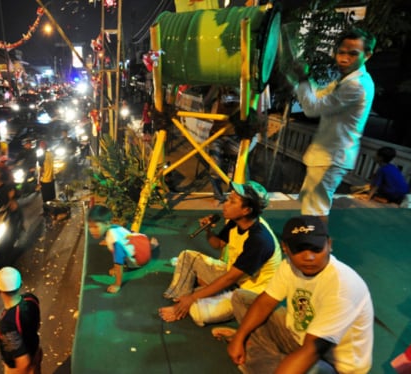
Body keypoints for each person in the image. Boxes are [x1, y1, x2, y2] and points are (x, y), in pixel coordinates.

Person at [225, 215, 374, 374]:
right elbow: (265, 302)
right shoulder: (288, 266)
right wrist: (239, 337)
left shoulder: (343, 287)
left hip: (330, 363)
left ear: (329, 245)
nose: (308, 257)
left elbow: (313, 350)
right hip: (297, 338)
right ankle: (261, 354)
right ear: (285, 248)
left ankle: (259, 355)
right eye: (299, 249)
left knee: (307, 369)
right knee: (241, 298)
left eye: (316, 249)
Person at [159, 180, 282, 326]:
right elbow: (217, 244)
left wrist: (194, 298)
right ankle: (183, 298)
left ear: (246, 210)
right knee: (187, 256)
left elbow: (229, 279)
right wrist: (208, 230)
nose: (225, 203)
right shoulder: (236, 221)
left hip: (249, 293)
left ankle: (195, 298)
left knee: (199, 313)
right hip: (233, 276)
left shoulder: (259, 240)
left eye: (232, 201)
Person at [288, 28, 376, 227]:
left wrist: (302, 79)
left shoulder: (356, 85)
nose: (344, 59)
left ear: (367, 55)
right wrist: (299, 81)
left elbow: (312, 108)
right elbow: (318, 94)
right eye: (341, 52)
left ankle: (316, 249)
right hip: (327, 154)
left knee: (315, 208)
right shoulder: (346, 80)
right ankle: (314, 246)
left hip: (331, 155)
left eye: (353, 54)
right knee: (313, 204)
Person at [87, 204, 157, 294]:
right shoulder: (114, 226)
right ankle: (151, 245)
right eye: (90, 227)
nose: (92, 231)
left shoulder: (114, 241)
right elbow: (125, 235)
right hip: (142, 242)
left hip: (139, 260)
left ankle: (150, 247)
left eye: (96, 227)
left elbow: (118, 264)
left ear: (107, 224)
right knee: (132, 238)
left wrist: (117, 284)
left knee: (120, 251)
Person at [0, 266, 42, 374]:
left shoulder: (7, 324)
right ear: (20, 284)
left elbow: (23, 362)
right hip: (35, 351)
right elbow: (37, 324)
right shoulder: (31, 299)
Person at [38, 140, 56, 207]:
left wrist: (38, 181)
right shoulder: (50, 153)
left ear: (40, 147)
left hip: (45, 180)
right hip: (52, 178)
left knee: (46, 200)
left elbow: (41, 169)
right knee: (52, 197)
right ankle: (54, 210)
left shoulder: (41, 156)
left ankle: (47, 212)